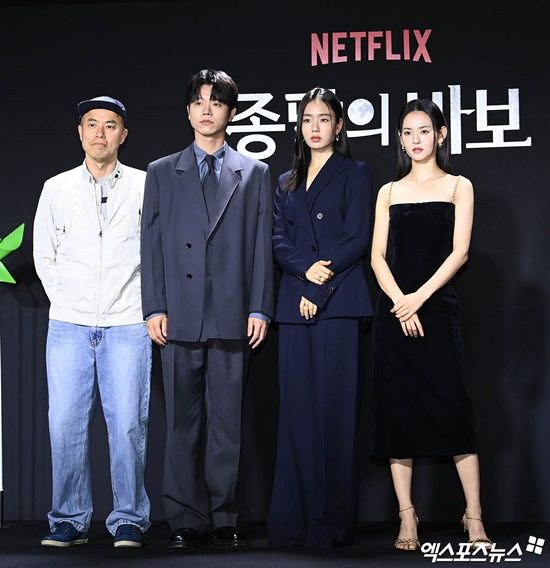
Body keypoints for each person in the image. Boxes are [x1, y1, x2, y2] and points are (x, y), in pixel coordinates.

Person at [140, 68, 273, 551]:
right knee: (181, 423)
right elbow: (150, 245)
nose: (206, 110)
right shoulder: (161, 171)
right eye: (198, 101)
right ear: (188, 110)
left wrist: (260, 307)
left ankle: (224, 515)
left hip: (233, 312)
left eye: (215, 102)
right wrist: (154, 306)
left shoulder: (254, 172)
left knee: (226, 423)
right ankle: (184, 517)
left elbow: (261, 246)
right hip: (178, 314)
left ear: (231, 112)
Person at [370, 98, 492, 551]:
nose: (416, 139)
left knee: (455, 411)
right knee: (398, 415)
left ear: (441, 135)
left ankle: (473, 514)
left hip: (437, 312)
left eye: (424, 130)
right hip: (395, 316)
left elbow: (460, 252)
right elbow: (376, 257)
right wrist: (401, 303)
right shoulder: (388, 191)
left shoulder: (459, 185)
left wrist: (419, 298)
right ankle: (407, 515)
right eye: (407, 132)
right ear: (400, 139)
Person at [33, 96, 152, 548]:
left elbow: (153, 251)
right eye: (91, 124)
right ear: (80, 132)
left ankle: (129, 518)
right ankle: (69, 518)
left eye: (110, 125)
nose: (100, 133)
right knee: (64, 423)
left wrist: (140, 305)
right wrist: (67, 300)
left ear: (123, 134)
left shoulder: (145, 184)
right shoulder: (56, 187)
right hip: (69, 323)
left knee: (128, 424)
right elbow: (44, 253)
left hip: (128, 322)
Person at [268, 87, 374, 548]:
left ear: (339, 125)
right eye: (308, 119)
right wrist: (303, 273)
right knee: (297, 417)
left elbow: (358, 237)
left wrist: (316, 286)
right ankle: (294, 523)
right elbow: (277, 238)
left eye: (324, 119)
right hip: (294, 308)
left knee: (335, 415)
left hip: (339, 304)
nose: (315, 127)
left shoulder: (355, 173)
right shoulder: (286, 180)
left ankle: (333, 524)